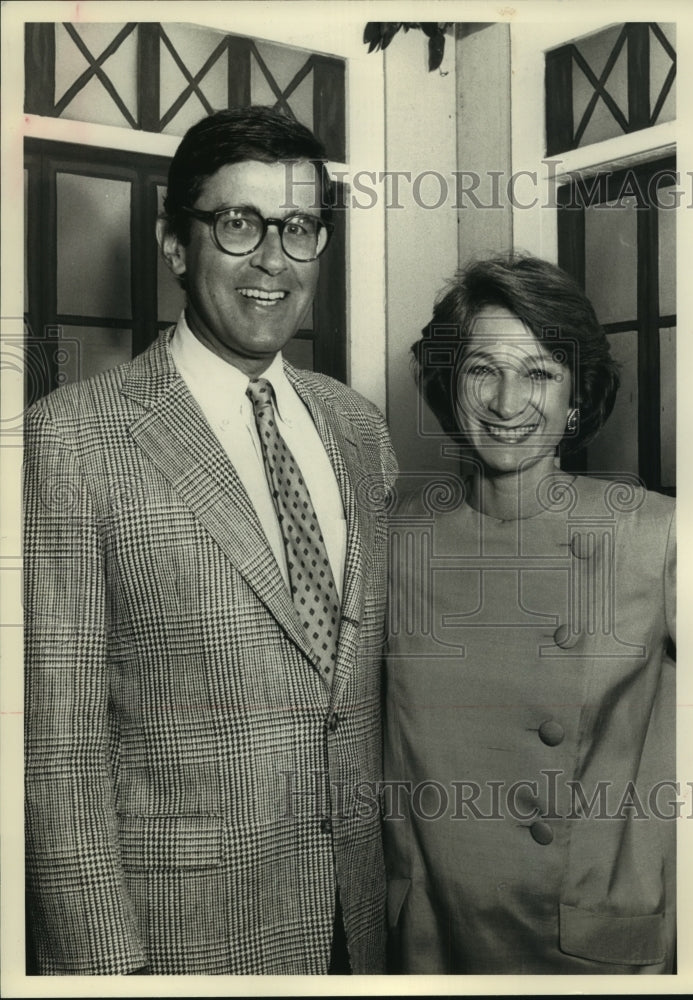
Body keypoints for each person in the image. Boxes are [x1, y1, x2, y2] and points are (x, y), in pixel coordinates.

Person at [24, 105, 397, 976]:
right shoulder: (73, 440)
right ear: (175, 244)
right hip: (178, 940)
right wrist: (106, 970)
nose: (274, 259)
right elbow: (58, 746)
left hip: (356, 925)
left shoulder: (358, 429)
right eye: (240, 223)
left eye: (298, 228)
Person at [383, 253, 676, 974]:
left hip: (585, 945)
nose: (509, 401)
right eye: (483, 369)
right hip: (430, 941)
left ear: (577, 399)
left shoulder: (655, 534)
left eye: (541, 373)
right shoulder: (389, 535)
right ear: (451, 386)